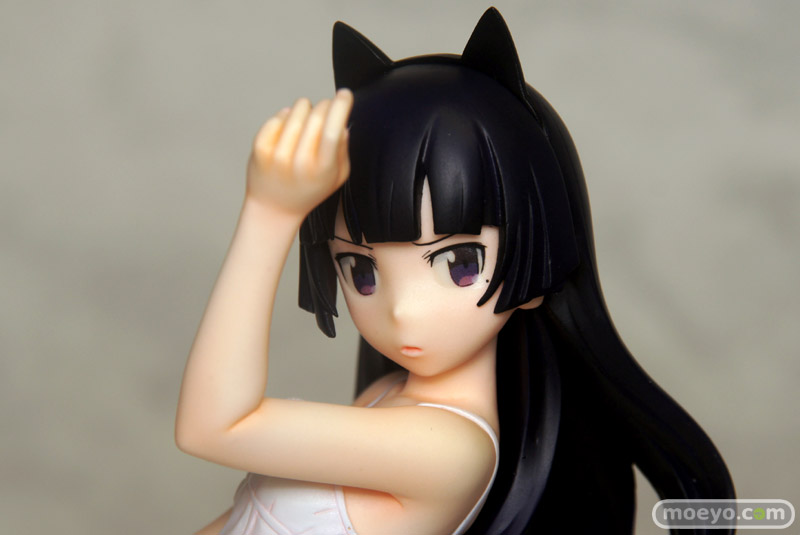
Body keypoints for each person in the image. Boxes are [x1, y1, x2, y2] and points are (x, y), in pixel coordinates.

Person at [177, 8, 734, 534]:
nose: (401, 310)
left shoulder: (448, 449)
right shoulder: (389, 392)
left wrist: (270, 213)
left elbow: (215, 426)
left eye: (459, 264)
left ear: (537, 262)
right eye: (361, 270)